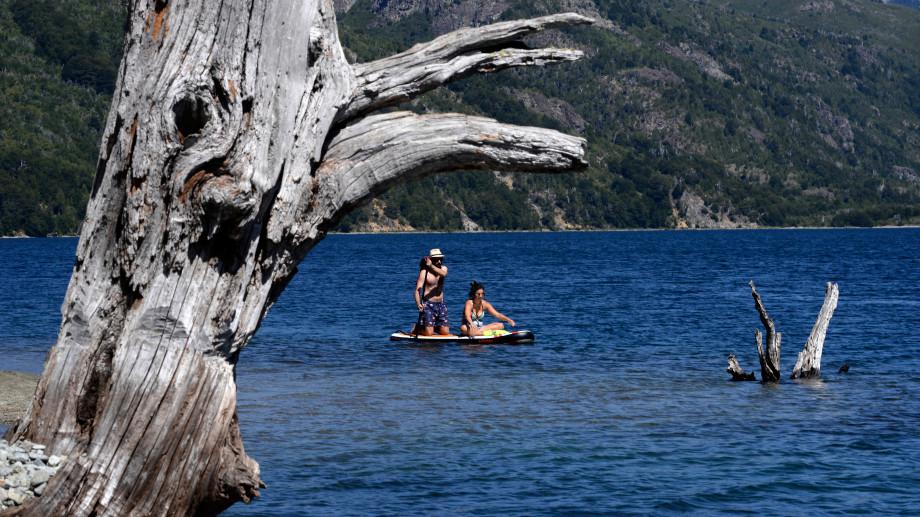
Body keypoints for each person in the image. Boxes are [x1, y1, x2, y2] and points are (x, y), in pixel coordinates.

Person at [414, 248, 450, 336]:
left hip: (441, 304)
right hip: (428, 304)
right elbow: (417, 290)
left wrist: (431, 265)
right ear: (431, 260)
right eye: (436, 259)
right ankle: (417, 328)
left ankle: (433, 327)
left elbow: (444, 274)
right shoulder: (424, 272)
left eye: (441, 259)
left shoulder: (444, 269)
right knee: (429, 333)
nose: (439, 261)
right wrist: (418, 304)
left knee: (445, 332)